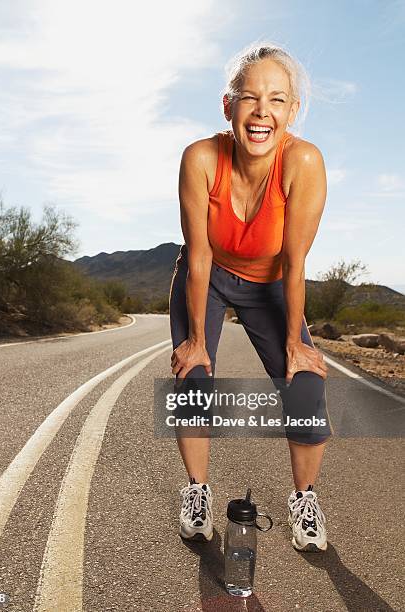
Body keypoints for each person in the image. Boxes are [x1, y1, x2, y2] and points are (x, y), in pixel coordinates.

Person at [168, 41, 332, 553]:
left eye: (278, 100)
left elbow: (296, 262)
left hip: (272, 284)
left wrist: (295, 344)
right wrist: (196, 341)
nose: (262, 112)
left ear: (292, 111)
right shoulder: (200, 158)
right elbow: (197, 256)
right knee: (193, 382)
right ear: (228, 106)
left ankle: (304, 498)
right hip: (209, 274)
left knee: (304, 389)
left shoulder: (303, 161)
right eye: (249, 97)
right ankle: (197, 492)